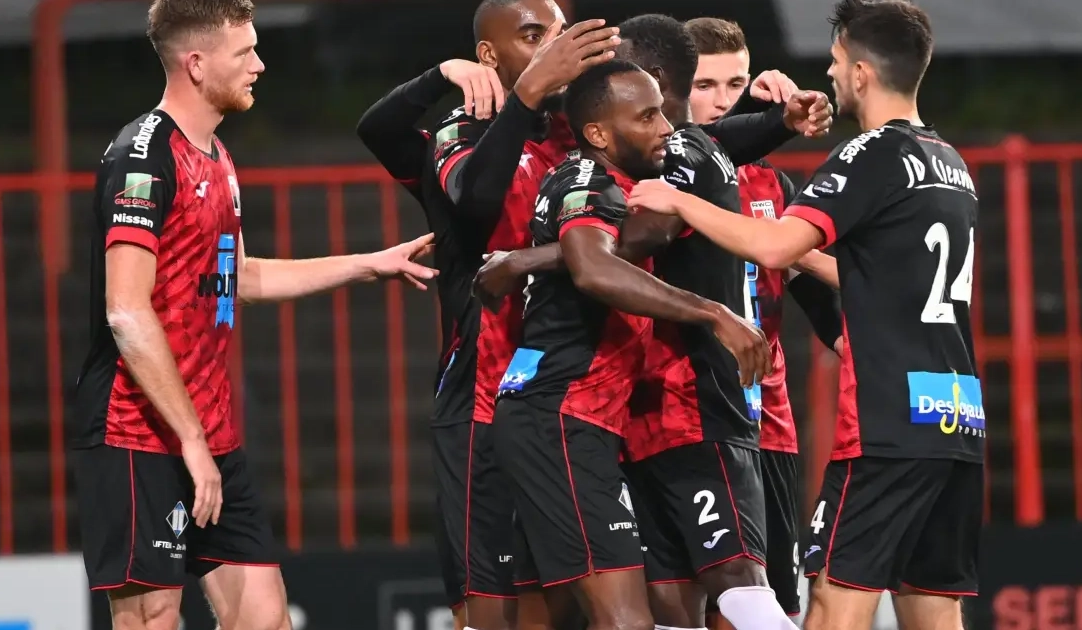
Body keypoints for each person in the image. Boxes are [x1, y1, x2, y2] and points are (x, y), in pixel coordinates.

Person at [69, 2, 437, 629]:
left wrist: (368, 264)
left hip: (209, 432)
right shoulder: (142, 155)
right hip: (136, 430)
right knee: (152, 617)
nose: (260, 65)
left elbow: (238, 276)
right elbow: (126, 310)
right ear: (196, 64)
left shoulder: (216, 154)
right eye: (245, 53)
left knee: (265, 618)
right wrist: (189, 440)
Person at [630, 3, 984, 630]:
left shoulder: (871, 152)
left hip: (884, 423)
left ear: (863, 73)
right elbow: (875, 274)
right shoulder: (950, 163)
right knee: (932, 606)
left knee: (830, 605)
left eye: (837, 61)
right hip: (953, 412)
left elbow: (773, 247)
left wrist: (680, 200)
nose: (830, 73)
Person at [356, 5, 620, 630]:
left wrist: (768, 112)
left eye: (558, 34)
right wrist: (452, 79)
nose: (552, 47)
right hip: (483, 400)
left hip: (572, 403)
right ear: (489, 56)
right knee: (492, 612)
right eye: (533, 36)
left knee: (575, 607)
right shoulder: (462, 130)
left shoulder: (582, 134)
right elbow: (473, 199)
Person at [491, 58, 772, 630]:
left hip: (579, 420)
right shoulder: (585, 180)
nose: (665, 127)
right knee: (626, 621)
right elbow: (593, 268)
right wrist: (713, 312)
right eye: (646, 117)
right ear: (598, 133)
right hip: (561, 414)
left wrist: (522, 260)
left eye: (662, 112)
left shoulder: (618, 185)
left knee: (560, 616)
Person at [683, 16, 845, 627]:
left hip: (766, 421)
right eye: (705, 85)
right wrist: (762, 116)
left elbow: (808, 288)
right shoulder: (654, 174)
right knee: (682, 601)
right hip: (685, 417)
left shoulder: (772, 183)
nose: (722, 100)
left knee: (772, 599)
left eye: (736, 83)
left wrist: (853, 342)